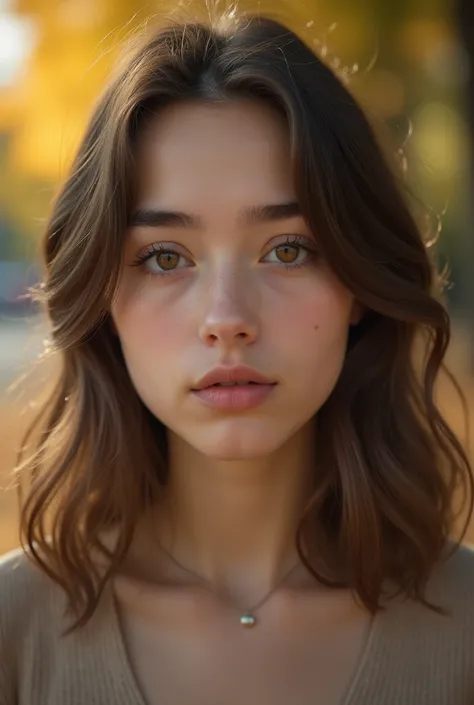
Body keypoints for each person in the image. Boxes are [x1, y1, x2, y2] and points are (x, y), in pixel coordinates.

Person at [1, 7, 474, 705]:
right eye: (165, 257)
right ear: (103, 297)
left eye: (288, 249)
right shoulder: (15, 632)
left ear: (360, 283)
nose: (227, 319)